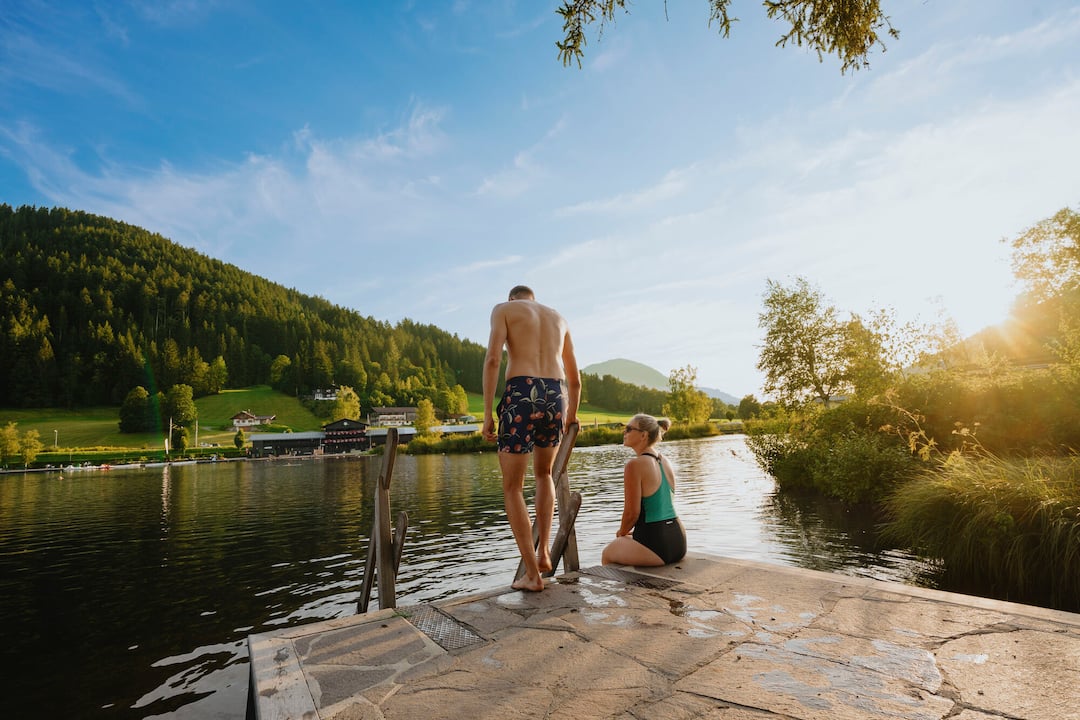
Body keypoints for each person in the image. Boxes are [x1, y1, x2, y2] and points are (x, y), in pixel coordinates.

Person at [482, 285, 580, 591]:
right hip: (557, 393)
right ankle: (544, 552)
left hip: (522, 391)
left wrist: (487, 414)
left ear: (513, 298)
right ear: (534, 299)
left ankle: (532, 576)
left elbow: (493, 360)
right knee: (544, 474)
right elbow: (575, 379)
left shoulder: (504, 310)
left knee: (513, 487)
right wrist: (572, 415)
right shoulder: (558, 318)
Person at [601, 414, 686, 567]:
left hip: (657, 545)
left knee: (608, 553)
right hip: (678, 541)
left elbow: (631, 513)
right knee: (626, 541)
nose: (624, 432)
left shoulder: (634, 465)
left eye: (629, 429)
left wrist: (621, 532)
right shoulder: (665, 461)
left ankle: (615, 585)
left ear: (643, 435)